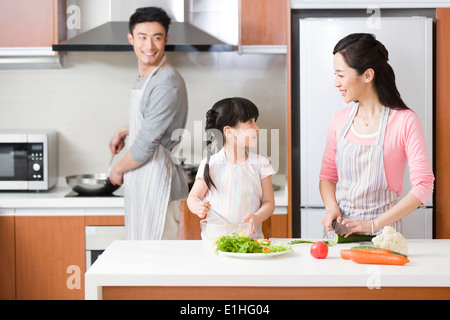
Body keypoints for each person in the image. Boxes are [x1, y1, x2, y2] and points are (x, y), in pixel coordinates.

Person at [320, 33, 434, 236]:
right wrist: (331, 208)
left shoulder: (405, 121)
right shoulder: (340, 120)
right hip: (341, 232)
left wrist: (373, 224)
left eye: (340, 74)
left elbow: (424, 186)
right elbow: (327, 176)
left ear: (367, 76)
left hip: (384, 235)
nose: (336, 83)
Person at [109, 7, 188, 240]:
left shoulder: (166, 81)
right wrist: (126, 130)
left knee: (159, 267)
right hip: (143, 184)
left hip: (160, 189)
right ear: (131, 39)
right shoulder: (146, 77)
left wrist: (117, 169)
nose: (150, 46)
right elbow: (154, 123)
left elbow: (146, 143)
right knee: (142, 263)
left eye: (157, 37)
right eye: (143, 37)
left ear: (166, 39)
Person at [187, 97, 275, 238]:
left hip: (250, 242)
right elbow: (193, 197)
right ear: (229, 131)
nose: (257, 128)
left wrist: (257, 217)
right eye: (250, 122)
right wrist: (197, 207)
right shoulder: (211, 164)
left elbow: (269, 203)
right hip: (215, 243)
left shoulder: (261, 164)